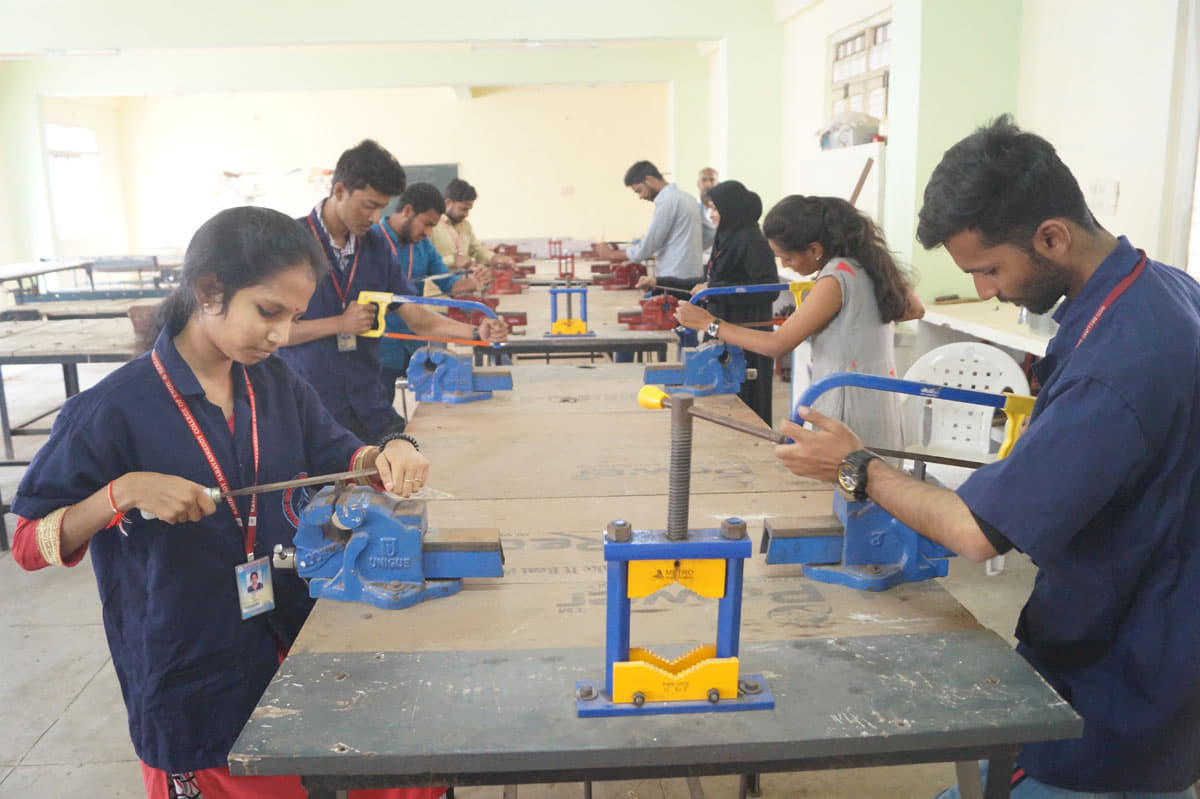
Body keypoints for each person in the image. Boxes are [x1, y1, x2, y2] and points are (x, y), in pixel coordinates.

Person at [775, 116, 1200, 798]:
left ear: (1052, 236)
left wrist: (857, 467)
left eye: (989, 268)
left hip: (1118, 687)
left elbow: (976, 532)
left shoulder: (1119, 364)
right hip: (1152, 634)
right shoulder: (1165, 291)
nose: (983, 290)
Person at [10, 206, 443, 799]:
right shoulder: (111, 410)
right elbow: (29, 544)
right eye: (268, 312)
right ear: (209, 290)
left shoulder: (276, 383)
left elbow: (341, 453)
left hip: (289, 639)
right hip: (190, 669)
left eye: (294, 316)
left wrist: (392, 450)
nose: (283, 335)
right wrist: (124, 492)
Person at [280, 141, 507, 441]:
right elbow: (270, 334)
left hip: (369, 408)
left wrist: (478, 333)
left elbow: (420, 320)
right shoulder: (289, 245)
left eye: (381, 208)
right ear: (339, 191)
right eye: (369, 205)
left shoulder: (376, 249)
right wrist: (339, 325)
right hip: (307, 410)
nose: (376, 218)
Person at [676, 194, 923, 450]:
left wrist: (710, 324)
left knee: (848, 480)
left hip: (849, 404)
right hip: (878, 395)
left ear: (815, 249)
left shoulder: (836, 276)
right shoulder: (868, 263)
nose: (784, 265)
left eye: (788, 258)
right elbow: (915, 309)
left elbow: (777, 345)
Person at [636, 180, 780, 423]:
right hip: (719, 332)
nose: (711, 215)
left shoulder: (753, 241)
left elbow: (767, 290)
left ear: (731, 209)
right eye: (709, 209)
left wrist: (714, 289)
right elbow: (704, 284)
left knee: (748, 408)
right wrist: (658, 281)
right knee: (723, 405)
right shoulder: (726, 239)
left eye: (715, 209)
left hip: (747, 339)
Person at [376, 182, 488, 402]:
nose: (428, 233)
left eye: (433, 227)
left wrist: (472, 282)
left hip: (418, 339)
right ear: (408, 211)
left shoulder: (423, 245)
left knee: (433, 407)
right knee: (380, 411)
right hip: (381, 346)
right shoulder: (372, 240)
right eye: (426, 224)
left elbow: (448, 283)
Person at [594, 160, 705, 282]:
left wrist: (612, 255)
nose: (640, 197)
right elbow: (709, 234)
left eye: (639, 190)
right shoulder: (689, 198)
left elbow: (648, 246)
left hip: (674, 277)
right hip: (694, 275)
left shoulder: (667, 201)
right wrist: (686, 248)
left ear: (649, 180)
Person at [429, 177, 515, 275]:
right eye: (463, 209)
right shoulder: (432, 225)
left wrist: (495, 258)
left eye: (469, 209)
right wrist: (453, 260)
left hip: (460, 286)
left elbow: (476, 250)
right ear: (448, 203)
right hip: (436, 289)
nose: (467, 214)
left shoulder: (465, 225)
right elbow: (425, 262)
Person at [697, 166, 719, 250]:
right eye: (704, 180)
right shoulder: (692, 207)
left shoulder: (724, 209)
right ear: (698, 184)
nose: (708, 184)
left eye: (712, 180)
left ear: (718, 183)